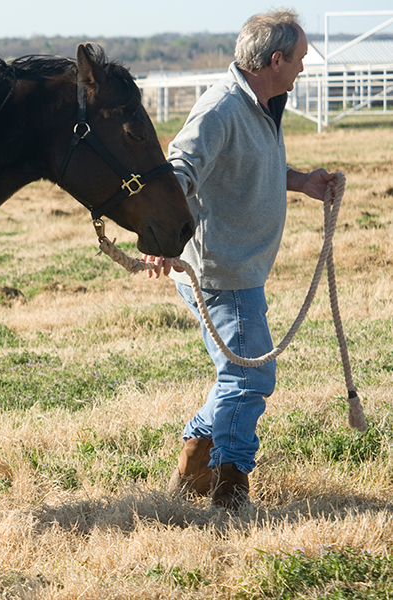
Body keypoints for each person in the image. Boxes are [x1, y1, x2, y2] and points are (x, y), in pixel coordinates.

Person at [141, 8, 338, 510]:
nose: (302, 67)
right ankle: (229, 486)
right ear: (275, 59)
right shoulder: (222, 108)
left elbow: (249, 164)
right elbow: (179, 170)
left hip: (240, 268)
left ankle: (194, 461)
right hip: (220, 273)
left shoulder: (266, 102)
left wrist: (301, 181)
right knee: (249, 377)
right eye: (299, 59)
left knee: (240, 376)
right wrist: (161, 236)